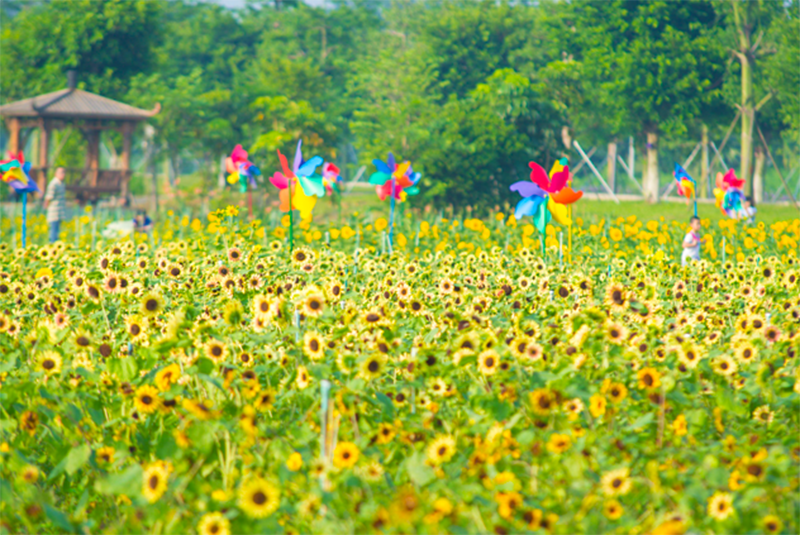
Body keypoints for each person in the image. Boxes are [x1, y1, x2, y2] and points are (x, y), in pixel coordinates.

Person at [43, 167, 67, 243]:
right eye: (61, 172)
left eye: (63, 172)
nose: (63, 174)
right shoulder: (54, 184)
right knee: (53, 231)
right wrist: (45, 209)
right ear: (56, 174)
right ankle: (52, 245)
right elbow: (48, 198)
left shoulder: (61, 183)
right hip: (53, 211)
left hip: (59, 211)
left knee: (57, 231)